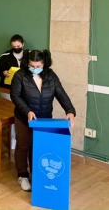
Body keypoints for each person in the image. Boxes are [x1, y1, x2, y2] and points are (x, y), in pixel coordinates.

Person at [11, 49, 75, 192]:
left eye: (38, 66)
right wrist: (27, 111)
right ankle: (22, 175)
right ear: (27, 62)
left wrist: (70, 110)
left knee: (39, 146)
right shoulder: (20, 75)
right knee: (23, 145)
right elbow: (15, 96)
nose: (35, 69)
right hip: (24, 117)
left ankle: (37, 174)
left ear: (44, 64)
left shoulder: (51, 76)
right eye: (32, 66)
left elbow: (61, 93)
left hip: (44, 118)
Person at [0, 34, 26, 149]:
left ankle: (21, 139)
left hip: (23, 90)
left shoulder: (28, 55)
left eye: (18, 46)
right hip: (7, 89)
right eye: (14, 46)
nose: (16, 48)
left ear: (23, 44)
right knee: (11, 114)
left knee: (21, 114)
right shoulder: (5, 56)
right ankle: (12, 140)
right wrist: (4, 72)